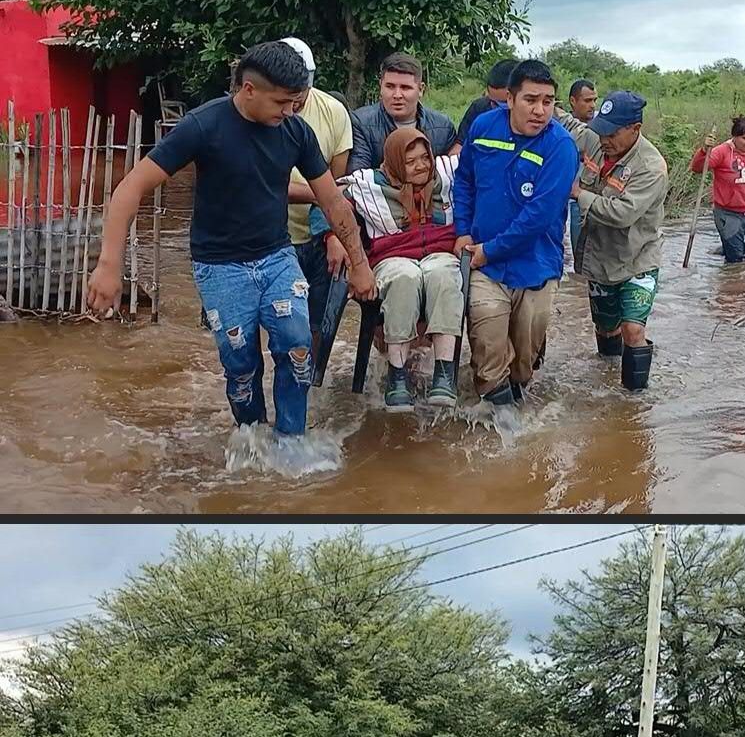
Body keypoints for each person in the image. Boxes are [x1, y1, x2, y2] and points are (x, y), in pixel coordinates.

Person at [85, 40, 375, 440]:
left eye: (296, 102)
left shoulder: (296, 132)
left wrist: (360, 265)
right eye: (282, 102)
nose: (290, 111)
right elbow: (130, 188)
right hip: (219, 266)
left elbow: (333, 202)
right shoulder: (204, 126)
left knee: (297, 346)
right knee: (241, 365)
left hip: (277, 256)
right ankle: (251, 441)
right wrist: (109, 264)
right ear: (249, 89)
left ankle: (292, 441)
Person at [452, 59, 579, 407]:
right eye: (531, 100)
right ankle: (501, 427)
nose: (540, 110)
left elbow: (539, 216)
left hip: (535, 264)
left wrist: (489, 250)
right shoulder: (483, 127)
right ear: (509, 99)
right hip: (485, 266)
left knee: (523, 368)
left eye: (548, 101)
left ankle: (522, 379)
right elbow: (464, 180)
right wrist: (463, 230)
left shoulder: (561, 147)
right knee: (489, 354)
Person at [325, 126, 463, 408]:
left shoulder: (447, 173)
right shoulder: (367, 183)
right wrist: (332, 237)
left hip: (440, 253)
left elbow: (485, 172)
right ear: (396, 162)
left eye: (424, 157)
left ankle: (444, 374)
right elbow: (327, 200)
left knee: (443, 275)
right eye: (410, 161)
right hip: (392, 257)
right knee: (404, 277)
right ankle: (397, 375)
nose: (421, 166)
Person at [559, 90, 669, 389]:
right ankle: (606, 383)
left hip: (638, 258)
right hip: (600, 257)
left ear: (635, 128)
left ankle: (634, 400)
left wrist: (579, 194)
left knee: (633, 330)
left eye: (612, 133)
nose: (604, 140)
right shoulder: (596, 142)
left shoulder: (651, 167)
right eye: (601, 131)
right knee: (606, 329)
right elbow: (569, 125)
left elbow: (622, 214)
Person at [277, 37, 355, 380]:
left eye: (301, 87)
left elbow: (338, 186)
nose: (294, 99)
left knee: (318, 320)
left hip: (319, 234)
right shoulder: (264, 114)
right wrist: (318, 194)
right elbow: (264, 185)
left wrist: (335, 235)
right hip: (273, 236)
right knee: (281, 322)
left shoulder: (333, 112)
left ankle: (312, 382)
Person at [349, 52, 460, 174]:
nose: (397, 95)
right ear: (381, 87)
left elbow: (451, 174)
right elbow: (358, 176)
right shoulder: (361, 123)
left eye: (405, 88)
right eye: (390, 87)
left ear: (421, 89)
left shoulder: (443, 127)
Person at [691, 116, 745, 263]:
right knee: (735, 259)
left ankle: (728, 249)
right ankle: (732, 254)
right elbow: (698, 168)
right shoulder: (722, 152)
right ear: (734, 137)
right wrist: (704, 151)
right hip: (728, 213)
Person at [566, 77, 600, 260]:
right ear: (573, 101)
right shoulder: (564, 127)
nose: (592, 105)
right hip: (567, 196)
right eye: (587, 100)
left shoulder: (602, 126)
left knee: (590, 254)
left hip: (591, 197)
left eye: (594, 100)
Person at [457, 59, 518, 145]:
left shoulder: (535, 121)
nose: (495, 109)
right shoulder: (479, 108)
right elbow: (460, 144)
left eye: (503, 104)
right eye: (492, 102)